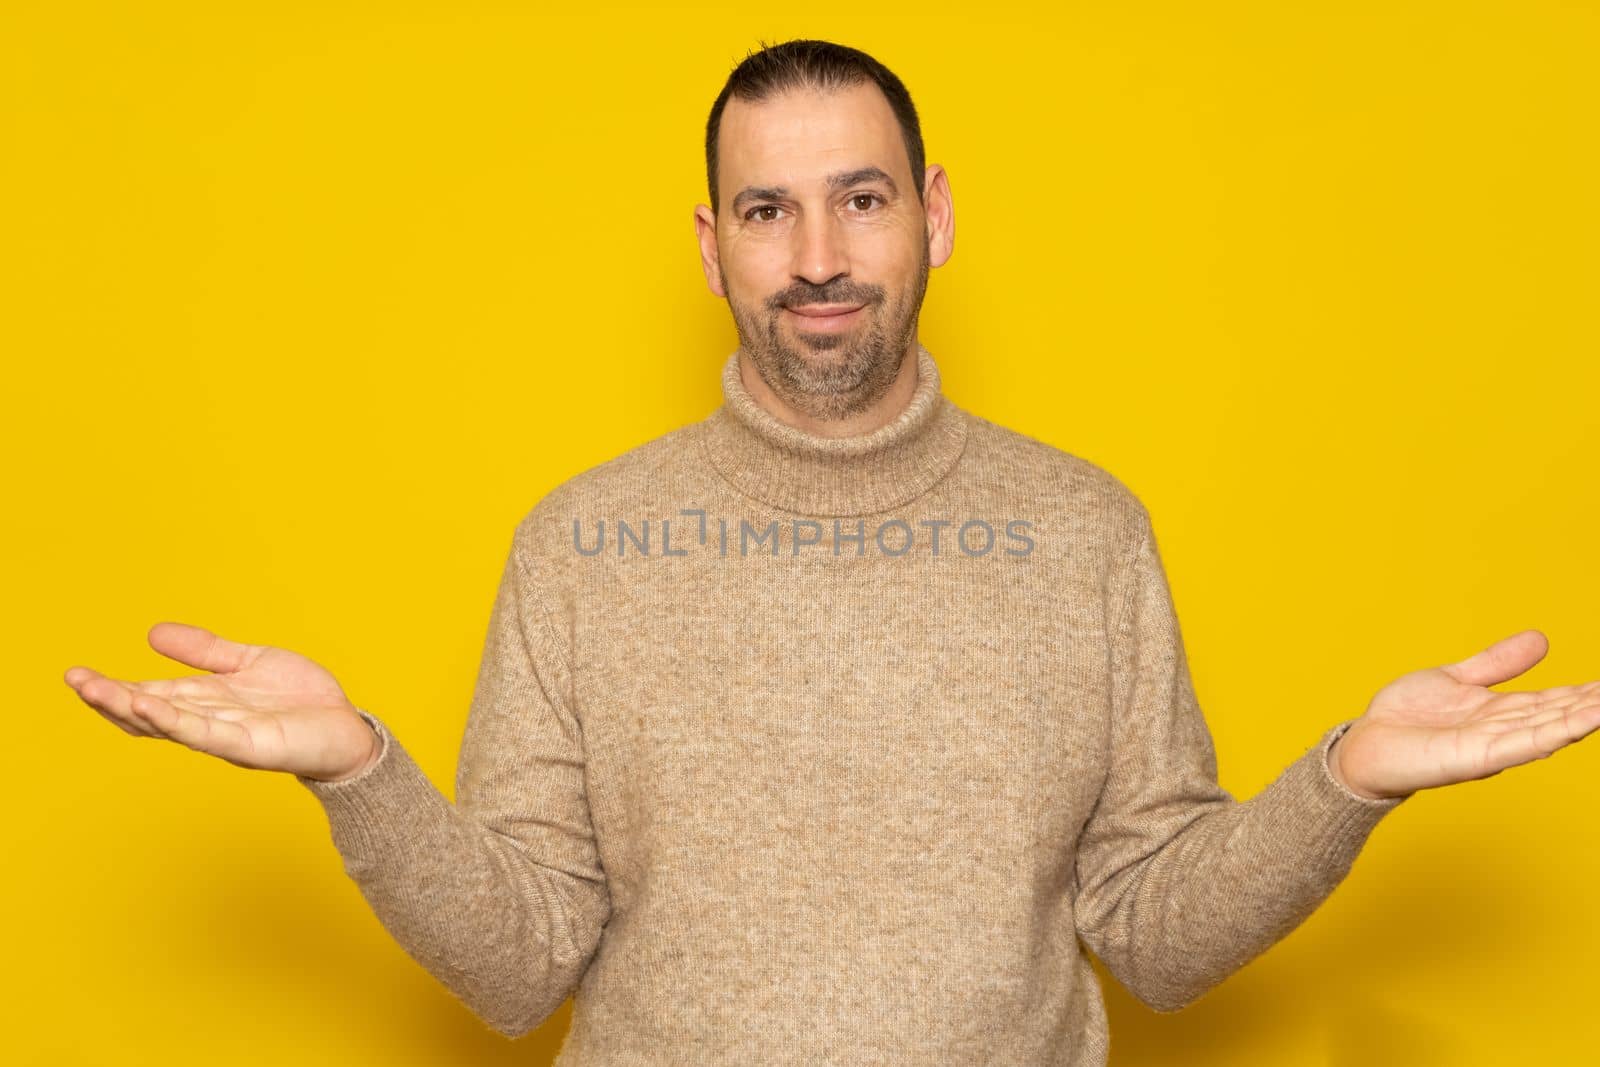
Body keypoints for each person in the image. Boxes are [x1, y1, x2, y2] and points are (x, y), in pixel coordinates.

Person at [63, 38, 1600, 1067]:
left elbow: (1157, 938)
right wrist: (358, 771)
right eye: (767, 211)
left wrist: (1346, 782)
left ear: (930, 216)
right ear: (712, 244)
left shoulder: (1082, 531)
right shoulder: (585, 543)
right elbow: (525, 966)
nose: (815, 259)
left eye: (859, 201)